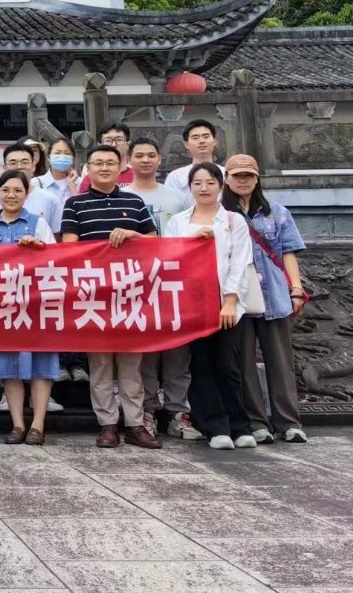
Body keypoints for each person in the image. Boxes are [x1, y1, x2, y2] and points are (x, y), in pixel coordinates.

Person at [60, 143, 162, 449]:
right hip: (94, 295)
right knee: (101, 364)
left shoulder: (135, 202)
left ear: (121, 168)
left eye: (110, 163)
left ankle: (135, 424)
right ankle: (107, 424)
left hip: (130, 294)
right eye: (98, 163)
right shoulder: (74, 204)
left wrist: (133, 236)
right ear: (88, 168)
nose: (104, 168)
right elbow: (69, 249)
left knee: (132, 364)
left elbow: (155, 243)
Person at [164, 163, 255, 451]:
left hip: (225, 303)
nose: (204, 188)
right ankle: (215, 427)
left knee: (228, 365)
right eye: (197, 183)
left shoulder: (232, 221)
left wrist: (230, 300)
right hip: (192, 304)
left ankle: (240, 425)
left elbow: (240, 262)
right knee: (200, 365)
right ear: (189, 188)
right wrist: (192, 241)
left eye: (210, 182)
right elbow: (169, 257)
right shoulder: (178, 222)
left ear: (220, 185)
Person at [223, 154, 309, 444]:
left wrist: (296, 288)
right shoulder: (221, 214)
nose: (243, 180)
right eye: (237, 175)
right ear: (227, 179)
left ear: (257, 178)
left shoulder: (277, 212)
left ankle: (289, 422)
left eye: (248, 175)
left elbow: (288, 252)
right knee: (244, 363)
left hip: (274, 292)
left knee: (281, 362)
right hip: (238, 295)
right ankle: (257, 422)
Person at [0, 170, 57, 446]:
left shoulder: (38, 223)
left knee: (41, 365)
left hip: (35, 305)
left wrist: (38, 249)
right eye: (6, 190)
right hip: (3, 306)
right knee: (8, 366)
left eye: (18, 191)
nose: (11, 195)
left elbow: (56, 261)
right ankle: (18, 424)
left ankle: (38, 426)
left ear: (26, 194)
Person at [127, 137, 199, 440]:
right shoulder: (123, 196)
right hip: (136, 284)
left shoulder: (177, 197)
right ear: (128, 160)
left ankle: (178, 412)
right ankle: (148, 411)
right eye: (139, 155)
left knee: (177, 351)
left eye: (150, 155)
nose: (145, 160)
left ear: (159, 160)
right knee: (144, 353)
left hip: (173, 282)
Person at [0, 143, 63, 232]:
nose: (19, 167)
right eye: (13, 163)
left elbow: (56, 236)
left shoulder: (50, 200)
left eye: (25, 162)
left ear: (33, 166)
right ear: (4, 168)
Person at [165, 120, 220, 196]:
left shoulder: (226, 174)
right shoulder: (175, 178)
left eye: (206, 137)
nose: (201, 141)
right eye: (195, 138)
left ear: (215, 141)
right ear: (186, 144)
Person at [78, 122, 135, 191]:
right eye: (108, 140)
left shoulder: (138, 176)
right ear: (100, 145)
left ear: (128, 144)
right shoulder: (91, 178)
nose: (113, 144)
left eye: (119, 140)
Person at [34, 137, 79, 204]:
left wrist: (72, 186)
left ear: (73, 157)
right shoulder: (36, 183)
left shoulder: (80, 183)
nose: (62, 157)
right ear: (48, 157)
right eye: (57, 153)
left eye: (67, 153)